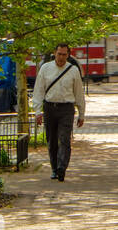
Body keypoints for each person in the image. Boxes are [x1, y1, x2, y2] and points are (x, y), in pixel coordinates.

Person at [31, 43, 86, 181]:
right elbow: (38, 91)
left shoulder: (73, 70)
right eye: (59, 54)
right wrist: (38, 111)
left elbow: (79, 93)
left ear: (68, 55)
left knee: (64, 139)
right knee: (52, 140)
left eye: (64, 54)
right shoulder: (45, 68)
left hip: (66, 109)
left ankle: (62, 168)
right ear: (55, 53)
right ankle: (54, 168)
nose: (61, 57)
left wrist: (81, 114)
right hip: (49, 107)